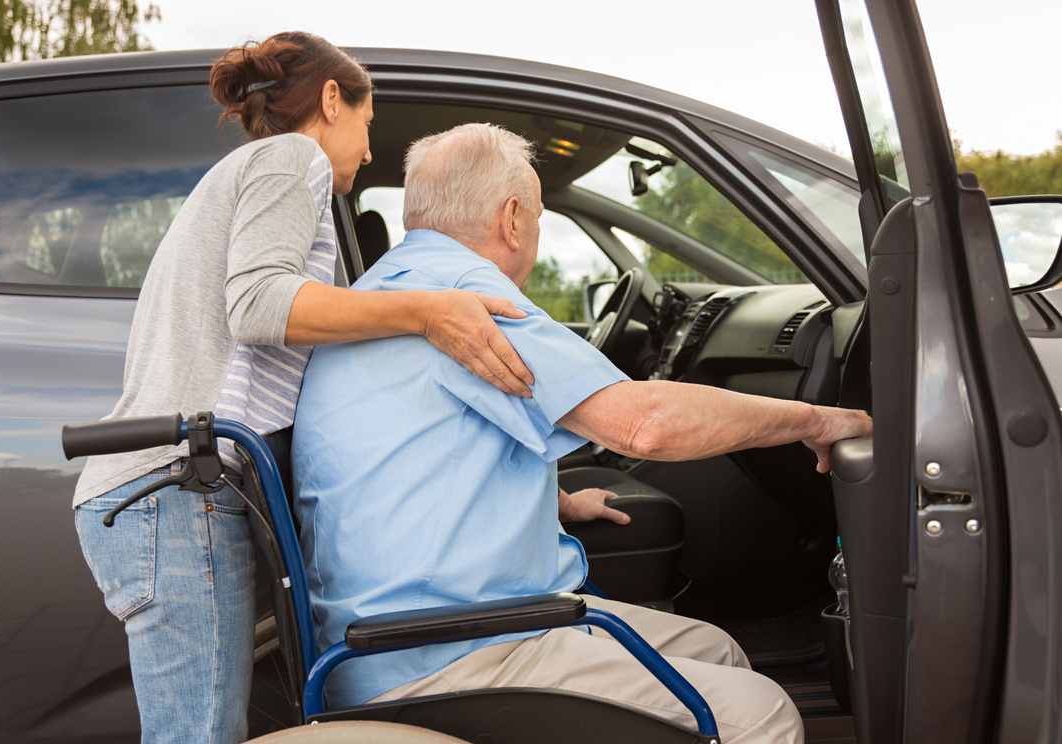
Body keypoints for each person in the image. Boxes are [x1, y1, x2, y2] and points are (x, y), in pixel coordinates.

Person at [292, 123, 873, 743]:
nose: (534, 235)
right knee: (763, 714)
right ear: (512, 218)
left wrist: (556, 501)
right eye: (539, 218)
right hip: (446, 651)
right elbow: (643, 425)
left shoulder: (378, 294)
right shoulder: (467, 302)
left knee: (718, 650)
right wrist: (814, 419)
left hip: (396, 638)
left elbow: (420, 453)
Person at [72, 36, 536, 744]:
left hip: (167, 495)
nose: (371, 149)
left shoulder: (249, 174)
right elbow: (258, 305)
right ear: (330, 100)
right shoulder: (293, 159)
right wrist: (427, 309)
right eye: (368, 121)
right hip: (171, 495)